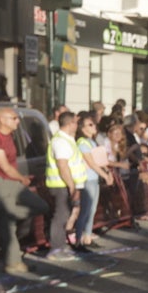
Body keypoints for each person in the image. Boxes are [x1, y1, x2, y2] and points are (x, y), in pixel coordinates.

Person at [0, 108, 50, 275]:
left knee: (41, 206)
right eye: (14, 118)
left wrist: (18, 179)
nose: (18, 121)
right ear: (2, 120)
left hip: (11, 182)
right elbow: (4, 166)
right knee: (7, 227)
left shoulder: (8, 136)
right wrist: (22, 179)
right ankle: (13, 263)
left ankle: (11, 216)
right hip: (0, 182)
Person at [45, 111, 89, 261]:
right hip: (61, 184)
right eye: (76, 123)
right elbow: (63, 166)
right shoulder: (60, 141)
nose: (77, 126)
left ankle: (61, 246)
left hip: (68, 184)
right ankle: (56, 249)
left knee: (66, 215)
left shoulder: (68, 140)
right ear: (70, 123)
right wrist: (72, 186)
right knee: (61, 216)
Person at [74, 112, 113, 250]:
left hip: (94, 179)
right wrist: (105, 175)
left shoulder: (92, 141)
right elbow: (91, 162)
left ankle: (88, 238)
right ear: (82, 128)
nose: (93, 126)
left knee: (92, 210)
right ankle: (78, 240)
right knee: (85, 210)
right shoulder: (81, 142)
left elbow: (100, 160)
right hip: (87, 179)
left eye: (93, 124)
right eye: (89, 125)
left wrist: (108, 172)